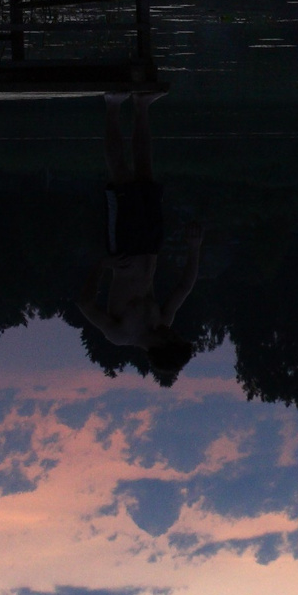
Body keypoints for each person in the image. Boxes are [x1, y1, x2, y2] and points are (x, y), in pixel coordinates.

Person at [78, 91, 201, 385]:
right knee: (145, 171)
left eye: (173, 337)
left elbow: (84, 304)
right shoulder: (162, 321)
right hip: (150, 246)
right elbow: (184, 287)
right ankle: (142, 105)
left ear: (162, 346)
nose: (173, 331)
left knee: (121, 175)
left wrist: (102, 265)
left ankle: (112, 105)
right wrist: (194, 248)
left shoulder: (120, 334)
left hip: (124, 246)